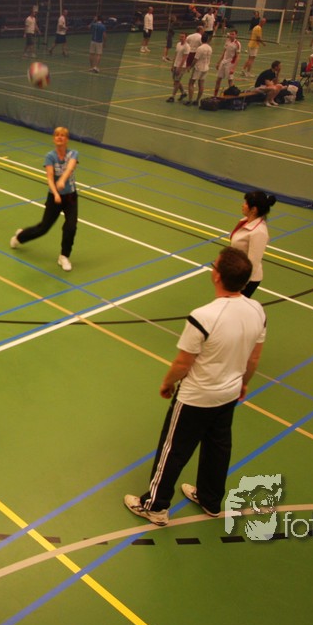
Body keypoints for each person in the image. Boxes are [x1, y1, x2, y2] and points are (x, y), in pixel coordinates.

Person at [123, 246, 266, 526]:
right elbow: (254, 358)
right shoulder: (257, 310)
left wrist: (167, 383)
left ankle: (155, 506)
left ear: (217, 275)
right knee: (218, 447)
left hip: (195, 397)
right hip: (228, 395)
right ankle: (210, 500)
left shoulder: (203, 316)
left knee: (173, 450)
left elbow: (182, 363)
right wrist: (243, 384)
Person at [9, 126, 78, 272]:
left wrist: (63, 180)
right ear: (54, 139)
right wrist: (56, 193)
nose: (59, 137)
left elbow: (70, 168)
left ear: (67, 139)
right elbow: (50, 177)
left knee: (71, 227)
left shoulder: (73, 154)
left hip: (71, 197)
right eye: (57, 135)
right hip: (54, 197)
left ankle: (64, 256)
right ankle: (20, 237)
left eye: (63, 135)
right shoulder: (50, 156)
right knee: (43, 228)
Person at [230, 191, 276, 297]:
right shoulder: (245, 222)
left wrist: (242, 284)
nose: (242, 205)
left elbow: (253, 263)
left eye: (246, 203)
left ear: (254, 209)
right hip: (236, 273)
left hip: (247, 280)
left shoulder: (259, 232)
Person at [186, 34, 213, 105]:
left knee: (191, 83)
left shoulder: (200, 48)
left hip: (198, 68)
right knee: (201, 84)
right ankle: (197, 100)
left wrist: (190, 67)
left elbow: (195, 59)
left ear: (201, 40)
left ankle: (190, 100)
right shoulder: (210, 48)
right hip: (206, 67)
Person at [213, 29, 241, 97]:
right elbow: (224, 52)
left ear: (236, 35)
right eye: (230, 34)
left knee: (230, 80)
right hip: (223, 62)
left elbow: (238, 57)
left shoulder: (237, 44)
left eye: (233, 34)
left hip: (230, 63)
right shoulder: (227, 41)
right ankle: (215, 96)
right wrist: (218, 62)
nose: (231, 35)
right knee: (218, 79)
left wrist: (233, 68)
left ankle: (232, 97)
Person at [167, 33, 190, 103]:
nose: (181, 38)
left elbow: (184, 58)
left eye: (182, 37)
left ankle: (172, 96)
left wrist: (179, 67)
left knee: (176, 81)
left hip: (181, 66)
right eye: (180, 37)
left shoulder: (187, 46)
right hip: (175, 65)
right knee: (176, 81)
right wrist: (173, 65)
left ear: (185, 38)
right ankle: (183, 92)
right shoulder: (178, 44)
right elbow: (176, 55)